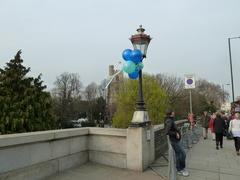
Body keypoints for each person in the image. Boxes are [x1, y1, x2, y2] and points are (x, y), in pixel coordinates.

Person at [165, 110, 189, 177]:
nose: (174, 112)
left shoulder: (170, 119)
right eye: (173, 112)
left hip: (176, 140)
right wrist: (176, 133)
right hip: (174, 141)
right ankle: (182, 168)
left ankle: (178, 169)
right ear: (171, 113)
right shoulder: (169, 120)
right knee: (183, 154)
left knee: (178, 154)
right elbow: (167, 131)